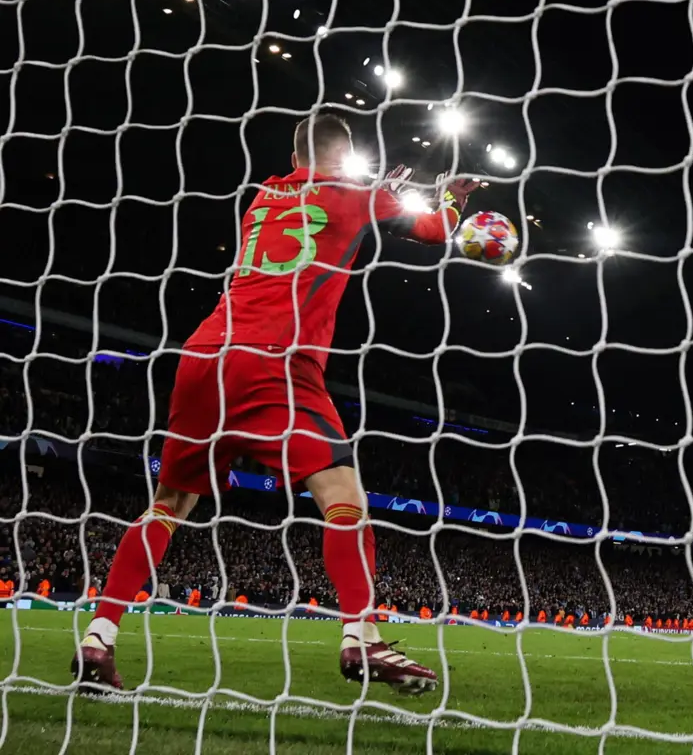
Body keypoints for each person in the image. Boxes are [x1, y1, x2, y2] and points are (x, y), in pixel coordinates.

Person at [70, 113, 479, 694]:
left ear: (294, 159)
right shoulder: (356, 196)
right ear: (345, 156)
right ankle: (361, 636)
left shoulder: (262, 197)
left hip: (204, 355)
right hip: (277, 361)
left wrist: (377, 190)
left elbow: (322, 207)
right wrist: (451, 198)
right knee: (344, 499)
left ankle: (99, 635)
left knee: (167, 504)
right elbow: (436, 232)